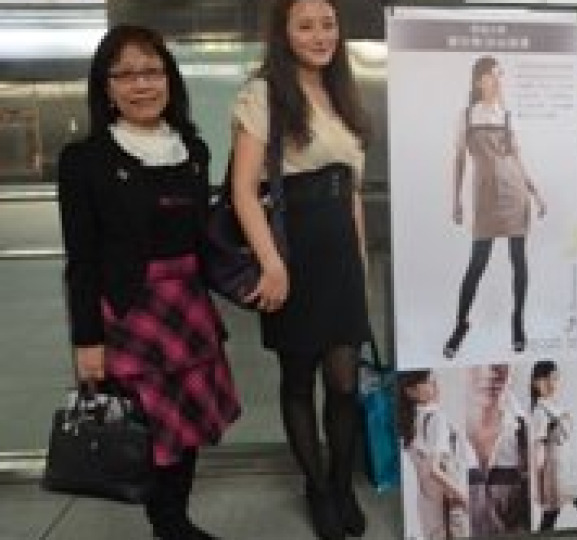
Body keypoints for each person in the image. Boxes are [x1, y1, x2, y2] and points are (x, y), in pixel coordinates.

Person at [56, 24, 240, 540]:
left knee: (187, 427)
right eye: (126, 74)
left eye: (152, 71)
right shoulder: (85, 160)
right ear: (107, 87)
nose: (142, 84)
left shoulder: (193, 150)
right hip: (131, 312)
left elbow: (205, 239)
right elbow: (81, 260)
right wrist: (87, 341)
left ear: (169, 79)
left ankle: (175, 520)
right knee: (152, 430)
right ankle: (167, 523)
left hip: (189, 308)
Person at [230, 1, 371, 538]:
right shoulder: (264, 93)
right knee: (297, 379)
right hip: (293, 250)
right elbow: (244, 190)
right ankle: (317, 489)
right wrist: (272, 263)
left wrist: (361, 264)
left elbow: (352, 192)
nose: (319, 35)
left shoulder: (342, 94)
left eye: (328, 24)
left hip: (340, 254)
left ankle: (340, 483)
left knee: (344, 382)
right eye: (305, 25)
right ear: (283, 33)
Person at [443, 56, 547, 359]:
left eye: (501, 75)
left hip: (514, 192)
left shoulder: (507, 115)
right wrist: (455, 200)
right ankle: (461, 323)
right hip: (485, 195)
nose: (499, 80)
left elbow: (517, 158)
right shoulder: (465, 116)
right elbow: (459, 159)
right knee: (477, 263)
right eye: (493, 75)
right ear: (479, 81)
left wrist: (535, 192)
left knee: (518, 260)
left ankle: (518, 322)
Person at [398, 370, 470, 540]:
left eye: (435, 379)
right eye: (429, 381)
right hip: (448, 501)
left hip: (427, 503)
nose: (436, 385)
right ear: (411, 391)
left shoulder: (411, 421)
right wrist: (464, 497)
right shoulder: (436, 419)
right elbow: (435, 470)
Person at [464, 364, 531, 535]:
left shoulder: (527, 431)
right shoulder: (446, 429)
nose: (491, 372)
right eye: (478, 361)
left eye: (500, 359)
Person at [529, 361, 577, 531]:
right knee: (553, 512)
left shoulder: (555, 405)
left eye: (554, 378)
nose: (551, 384)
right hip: (555, 470)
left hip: (567, 466)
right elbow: (539, 447)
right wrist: (539, 480)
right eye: (545, 379)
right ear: (535, 382)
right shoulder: (540, 411)